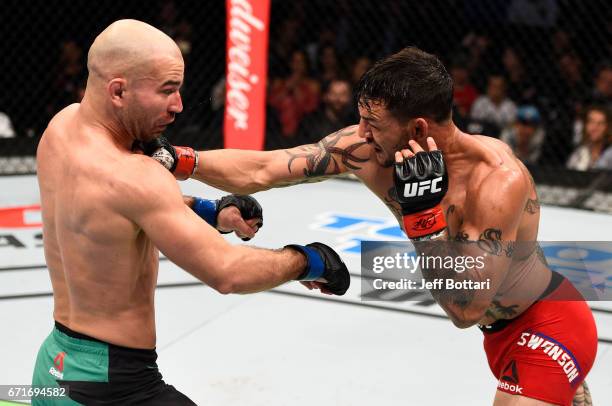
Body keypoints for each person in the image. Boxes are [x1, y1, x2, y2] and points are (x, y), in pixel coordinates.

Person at [151, 47, 596, 405]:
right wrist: (180, 159)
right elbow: (266, 168)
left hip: (546, 323)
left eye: (374, 123)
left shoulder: (496, 180)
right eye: (362, 117)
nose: (360, 133)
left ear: (418, 126)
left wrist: (424, 223)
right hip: (497, 336)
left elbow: (466, 309)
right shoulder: (369, 149)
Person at [32, 19, 350, 405]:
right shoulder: (138, 177)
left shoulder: (60, 128)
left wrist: (210, 211)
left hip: (53, 367)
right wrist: (308, 260)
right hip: (114, 387)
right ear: (118, 91)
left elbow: (109, 212)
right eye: (167, 90)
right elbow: (228, 273)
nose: (179, 105)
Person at [567, 105, 611, 170]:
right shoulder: (579, 153)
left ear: (608, 127)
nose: (595, 128)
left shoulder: (610, 153)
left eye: (601, 123)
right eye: (591, 122)